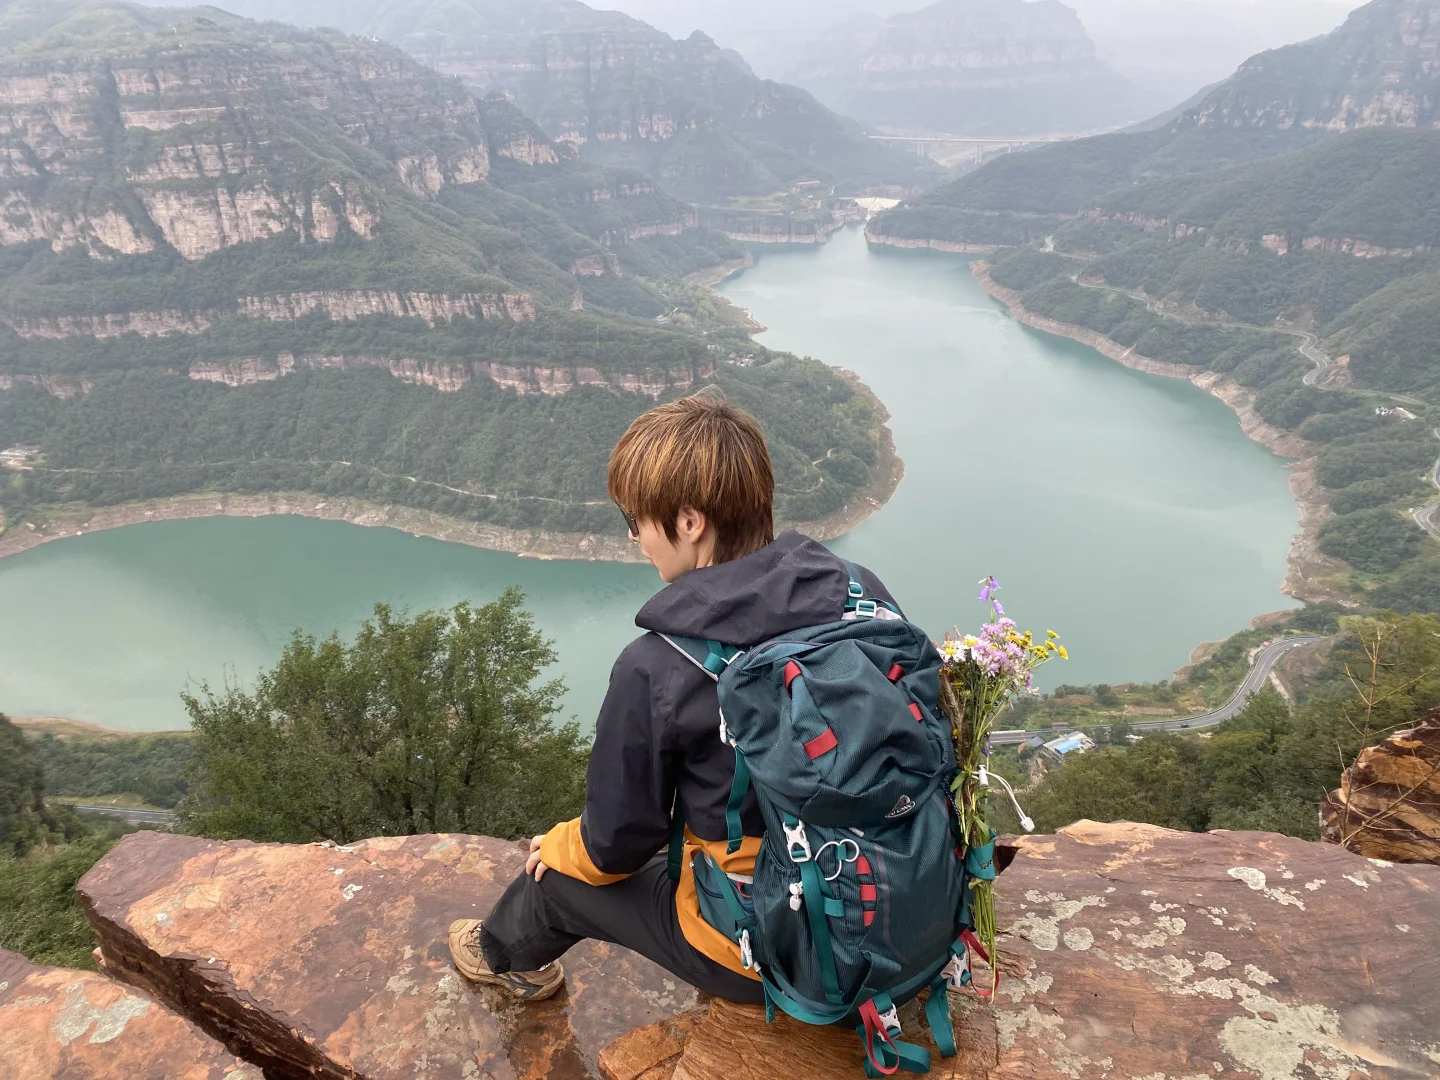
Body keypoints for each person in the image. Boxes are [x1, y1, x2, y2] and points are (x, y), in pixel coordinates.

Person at [447, 393, 901, 1003]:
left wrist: (561, 843)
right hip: (901, 901)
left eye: (636, 519)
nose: (634, 537)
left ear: (689, 523)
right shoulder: (856, 591)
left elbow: (616, 845)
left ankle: (501, 956)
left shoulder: (659, 665)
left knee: (553, 877)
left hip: (786, 940)